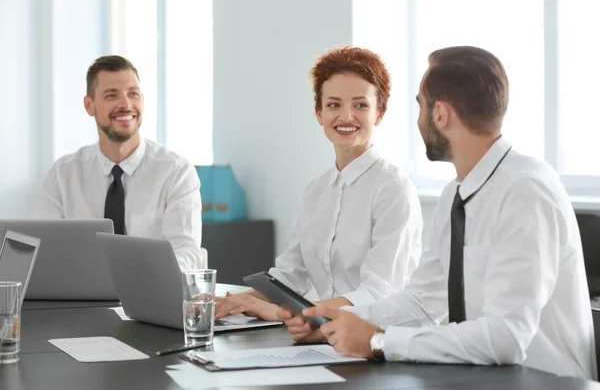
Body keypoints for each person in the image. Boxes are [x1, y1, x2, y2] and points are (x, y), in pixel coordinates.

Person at [279, 46, 596, 380]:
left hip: (543, 383)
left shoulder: (526, 191)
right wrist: (338, 322)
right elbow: (421, 302)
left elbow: (506, 338)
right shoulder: (455, 195)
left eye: (420, 106)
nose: (418, 119)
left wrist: (377, 340)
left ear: (440, 114)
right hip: (482, 377)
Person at [214, 47, 423, 321]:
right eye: (334, 104)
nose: (346, 116)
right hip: (327, 335)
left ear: (380, 113)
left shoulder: (393, 187)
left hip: (380, 339)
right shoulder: (317, 190)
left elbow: (379, 291)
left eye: (360, 105)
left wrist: (286, 313)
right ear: (319, 114)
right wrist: (229, 302)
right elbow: (291, 276)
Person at [32, 55, 203, 270]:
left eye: (133, 94)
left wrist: (143, 274)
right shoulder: (62, 174)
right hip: (80, 296)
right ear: (89, 105)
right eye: (111, 95)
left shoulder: (176, 172)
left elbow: (186, 252)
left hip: (151, 293)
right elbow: (41, 248)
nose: (126, 104)